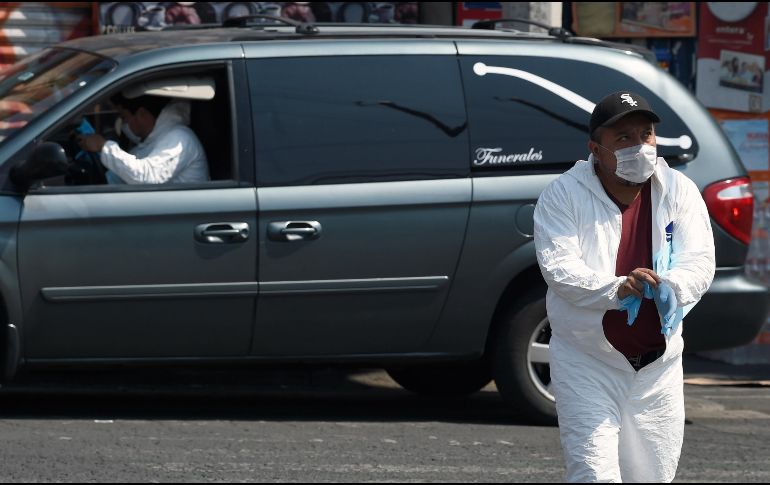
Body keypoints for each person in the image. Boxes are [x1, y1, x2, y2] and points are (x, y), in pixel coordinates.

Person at [533, 91, 715, 482]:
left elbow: (699, 261)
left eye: (645, 135)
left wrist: (673, 285)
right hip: (588, 363)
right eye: (623, 139)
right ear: (595, 149)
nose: (639, 147)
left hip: (658, 367)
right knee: (594, 475)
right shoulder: (563, 195)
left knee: (653, 476)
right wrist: (618, 288)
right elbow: (559, 270)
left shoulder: (679, 190)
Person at [77, 93, 210, 184]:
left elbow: (147, 176)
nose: (123, 125)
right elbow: (118, 177)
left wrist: (103, 146)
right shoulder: (151, 142)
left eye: (124, 117)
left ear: (141, 114)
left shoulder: (179, 138)